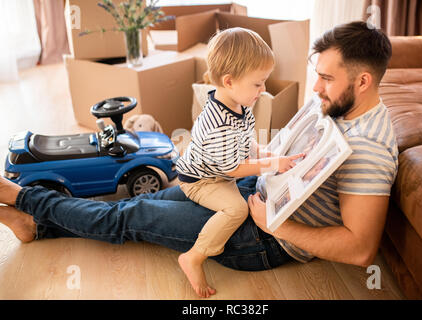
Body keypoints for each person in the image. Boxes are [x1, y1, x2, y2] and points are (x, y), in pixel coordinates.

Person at [0, 21, 398, 297]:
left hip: (260, 235)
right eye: (318, 74)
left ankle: (23, 199)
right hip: (245, 187)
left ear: (362, 81)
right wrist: (271, 158)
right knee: (134, 204)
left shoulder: (369, 151)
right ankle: (39, 227)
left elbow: (361, 249)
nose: (316, 87)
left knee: (128, 218)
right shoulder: (343, 108)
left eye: (326, 78)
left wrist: (272, 224)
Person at [174, 27, 302, 297]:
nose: (263, 89)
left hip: (220, 170)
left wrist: (265, 153)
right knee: (236, 209)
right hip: (201, 181)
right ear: (230, 81)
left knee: (256, 175)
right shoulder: (217, 123)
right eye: (258, 83)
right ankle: (195, 256)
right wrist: (272, 164)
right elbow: (232, 168)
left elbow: (246, 142)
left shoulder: (240, 104)